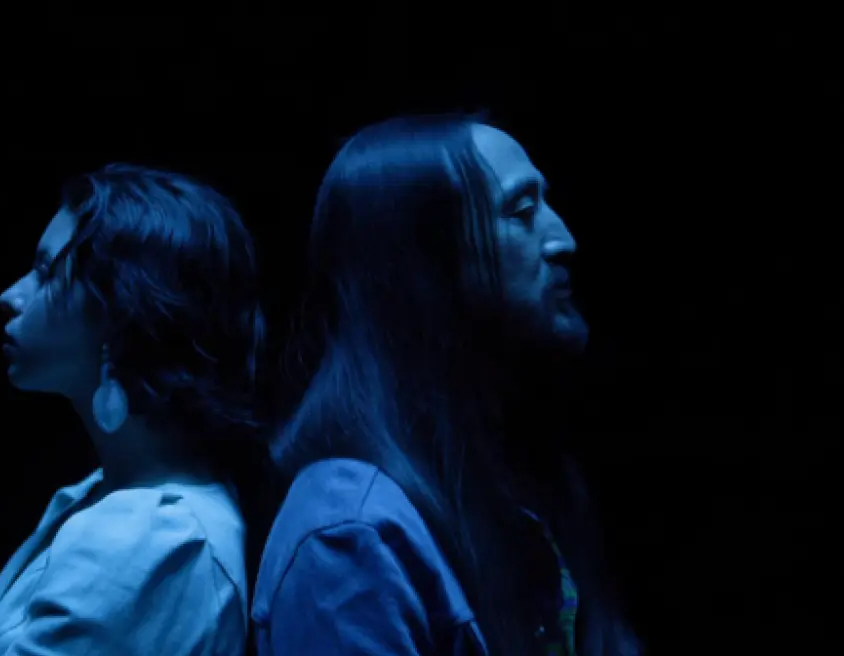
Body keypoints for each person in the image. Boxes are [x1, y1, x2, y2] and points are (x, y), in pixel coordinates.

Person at [252, 115, 640, 655]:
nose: (563, 241)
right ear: (426, 262)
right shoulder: (350, 537)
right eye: (522, 211)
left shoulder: (520, 473)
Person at [0, 163, 266, 656]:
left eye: (45, 272)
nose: (11, 296)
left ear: (121, 307)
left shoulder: (156, 540)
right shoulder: (106, 497)